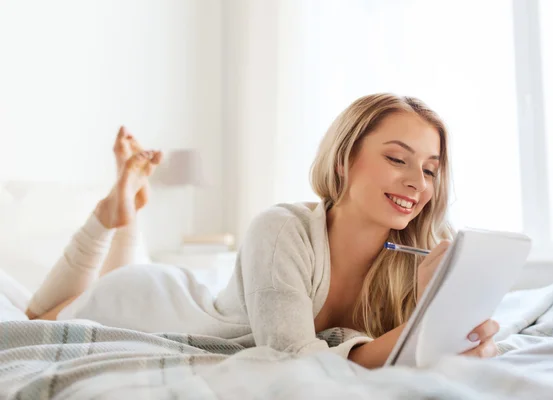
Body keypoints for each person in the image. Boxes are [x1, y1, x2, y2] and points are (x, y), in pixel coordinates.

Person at [25, 94, 499, 369]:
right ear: (343, 159)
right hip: (152, 302)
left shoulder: (416, 255)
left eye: (431, 169)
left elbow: (404, 348)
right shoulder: (280, 228)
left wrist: (459, 331)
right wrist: (423, 332)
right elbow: (293, 356)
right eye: (397, 159)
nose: (417, 182)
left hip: (182, 294)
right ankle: (110, 213)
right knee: (38, 316)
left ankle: (123, 210)